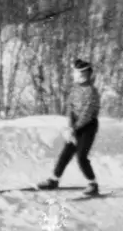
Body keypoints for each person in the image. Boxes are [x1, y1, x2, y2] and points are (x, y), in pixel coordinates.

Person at [38, 59, 101, 197]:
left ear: (84, 74)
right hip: (75, 127)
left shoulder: (91, 91)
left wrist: (76, 128)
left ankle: (93, 184)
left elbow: (87, 113)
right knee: (66, 154)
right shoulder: (75, 89)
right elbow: (70, 108)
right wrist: (70, 126)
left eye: (77, 72)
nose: (74, 75)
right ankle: (54, 180)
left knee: (81, 157)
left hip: (88, 127)